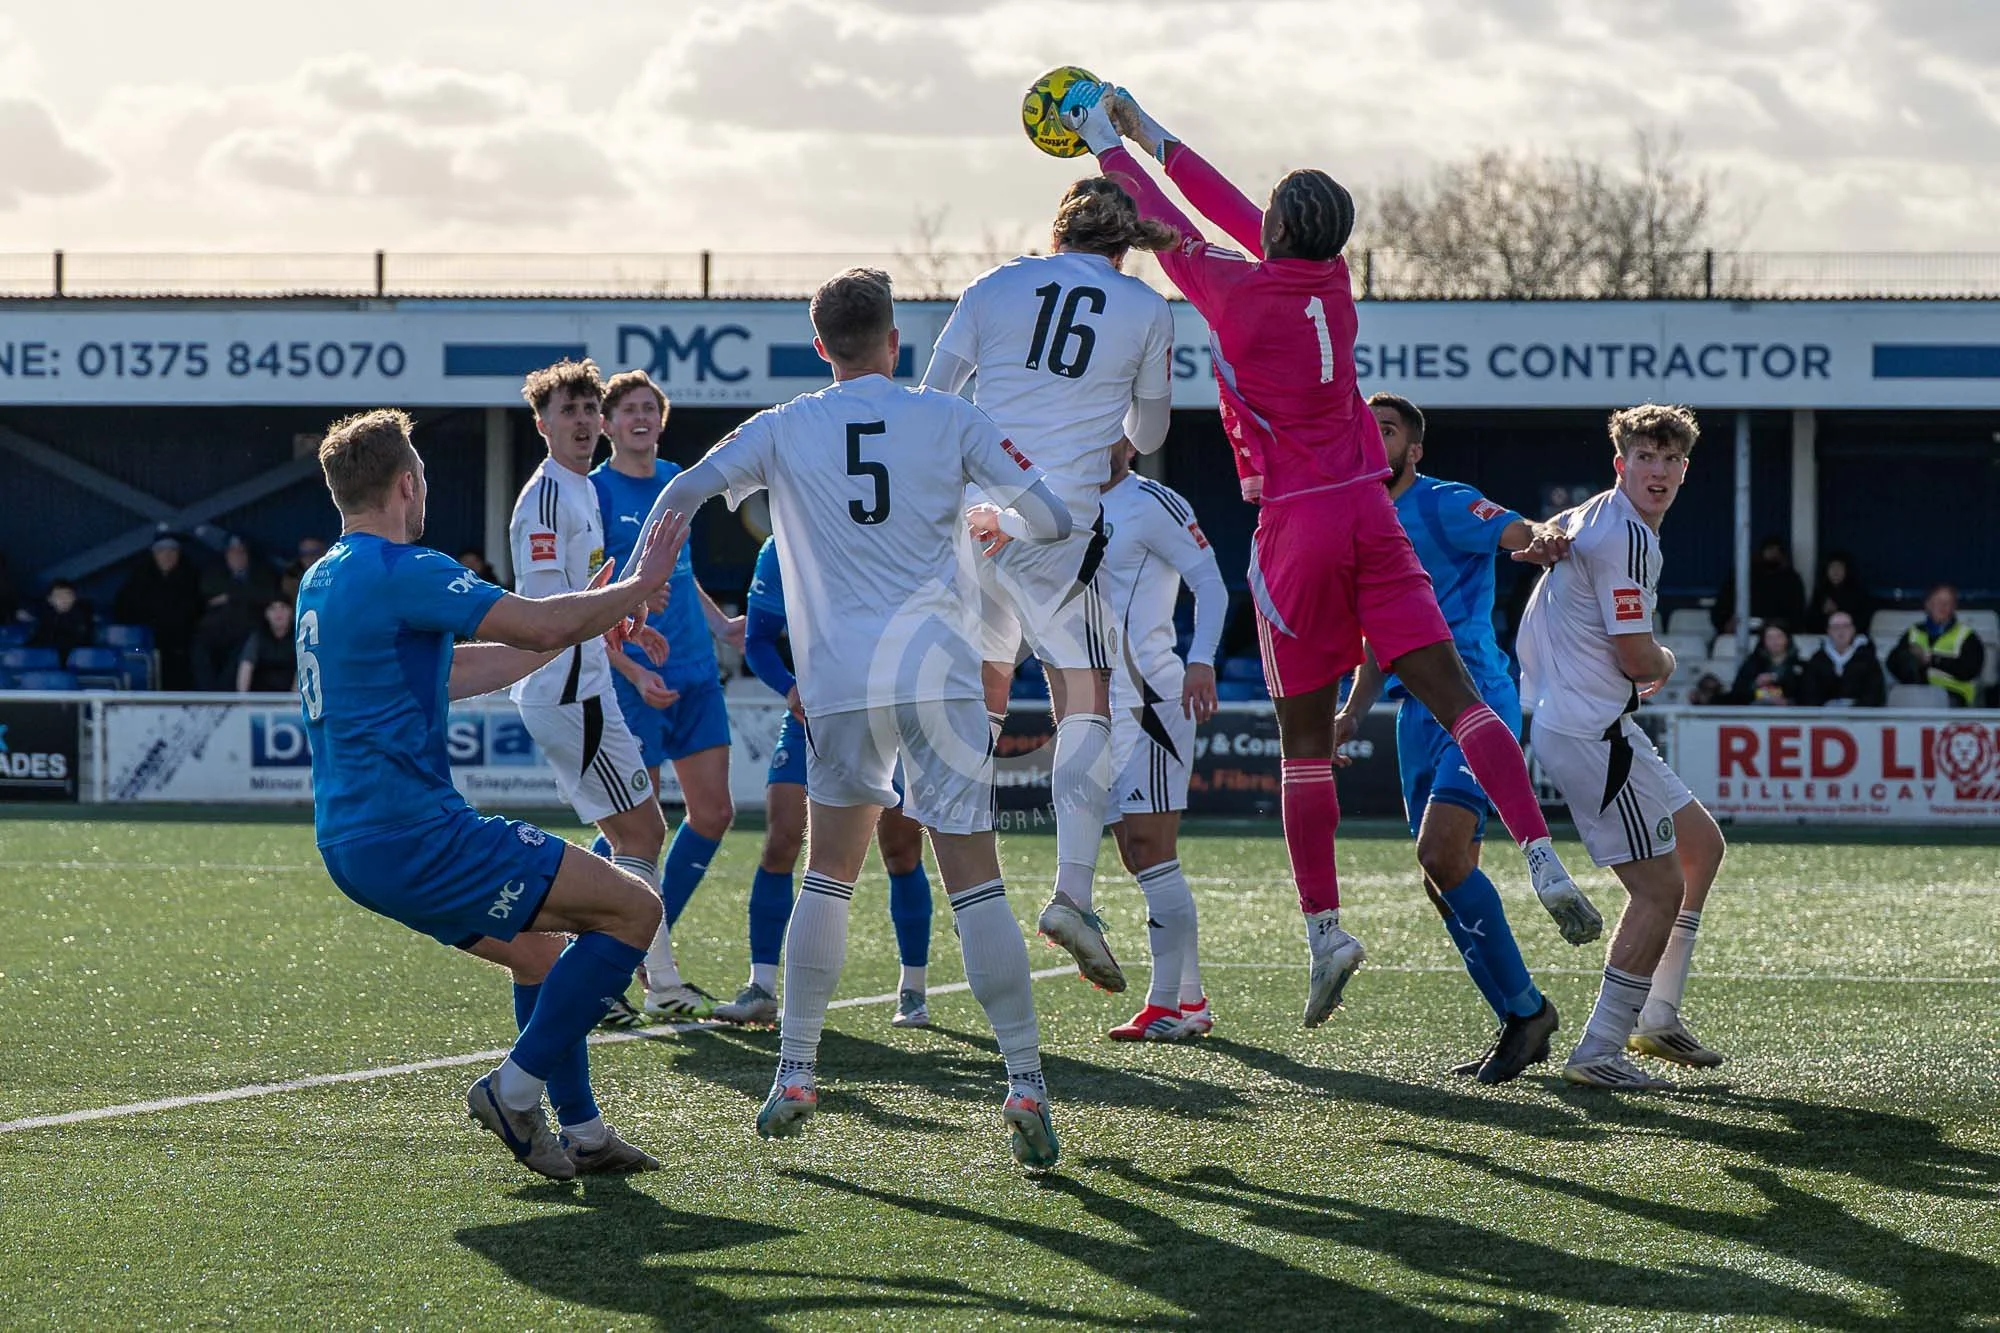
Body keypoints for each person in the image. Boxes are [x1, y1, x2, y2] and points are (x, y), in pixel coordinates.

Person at [1059, 82, 1593, 1028]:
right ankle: (1543, 856)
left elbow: (1164, 224)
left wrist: (1104, 139)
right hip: (1367, 515)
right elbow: (1221, 213)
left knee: (1304, 749)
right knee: (1463, 702)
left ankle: (1326, 929)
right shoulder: (1329, 288)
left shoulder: (1239, 293)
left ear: (1277, 230)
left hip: (1295, 526)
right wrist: (1156, 133)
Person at [640, 268, 1075, 1169]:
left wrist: (645, 587)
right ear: (894, 341)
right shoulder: (948, 416)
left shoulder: (783, 425)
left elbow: (680, 493)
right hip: (941, 675)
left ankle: (796, 1067)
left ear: (820, 345)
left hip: (836, 684)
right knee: (976, 881)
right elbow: (1055, 514)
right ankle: (1026, 1081)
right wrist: (996, 520)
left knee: (828, 875)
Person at [298, 406, 689, 1179]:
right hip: (416, 835)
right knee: (634, 908)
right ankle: (513, 1091)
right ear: (408, 484)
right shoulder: (402, 569)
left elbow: (461, 670)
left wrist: (581, 623)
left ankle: (581, 1129)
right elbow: (537, 626)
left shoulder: (326, 577)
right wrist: (640, 586)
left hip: (353, 845)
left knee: (538, 953)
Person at [919, 175, 1179, 998]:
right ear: (1125, 244)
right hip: (1056, 524)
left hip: (973, 520)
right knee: (1085, 698)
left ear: (1058, 231)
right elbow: (1151, 432)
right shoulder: (1145, 308)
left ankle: (971, 905)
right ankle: (1072, 891)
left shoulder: (992, 286)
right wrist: (1110, 432)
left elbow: (934, 402)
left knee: (980, 702)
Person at [1334, 394, 1594, 1083]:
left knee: (1438, 851)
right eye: (1364, 428)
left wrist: (1537, 539)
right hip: (1413, 716)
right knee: (1441, 876)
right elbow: (1374, 632)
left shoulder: (1444, 502)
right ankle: (1519, 1014)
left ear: (1413, 450)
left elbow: (1513, 528)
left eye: (1385, 430)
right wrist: (1354, 710)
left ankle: (1530, 1010)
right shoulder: (1359, 517)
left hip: (1474, 701)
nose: (1371, 437)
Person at [1516, 404, 1730, 1091]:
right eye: (1646, 456)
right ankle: (1601, 1046)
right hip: (1590, 730)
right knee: (1658, 886)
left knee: (1700, 845)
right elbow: (1640, 658)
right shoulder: (1628, 535)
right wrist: (1666, 664)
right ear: (1622, 463)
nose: (1659, 470)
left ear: (1685, 470)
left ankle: (1657, 1012)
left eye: (1671, 459)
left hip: (1586, 718)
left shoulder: (1588, 515)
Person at [507, 358, 678, 1030]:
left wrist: (627, 618)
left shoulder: (579, 490)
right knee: (640, 830)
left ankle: (643, 979)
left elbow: (586, 592)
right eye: (567, 411)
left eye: (587, 409)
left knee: (636, 832)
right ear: (542, 423)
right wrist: (630, 595)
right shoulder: (548, 496)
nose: (580, 421)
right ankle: (618, 979)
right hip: (567, 689)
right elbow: (552, 608)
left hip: (587, 682)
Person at [711, 533, 936, 1029]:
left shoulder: (889, 535)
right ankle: (761, 986)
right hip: (813, 712)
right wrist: (792, 690)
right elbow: (758, 640)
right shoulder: (781, 547)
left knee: (901, 848)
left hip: (890, 711)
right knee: (781, 840)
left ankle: (913, 989)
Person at [588, 369, 744, 1020]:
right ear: (607, 424)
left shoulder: (678, 481)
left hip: (695, 673)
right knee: (635, 830)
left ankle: (642, 945)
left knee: (711, 814)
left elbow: (680, 571)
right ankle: (597, 944)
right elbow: (590, 597)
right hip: (635, 677)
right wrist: (628, 669)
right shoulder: (592, 493)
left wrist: (720, 625)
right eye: (628, 409)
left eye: (650, 407)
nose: (640, 417)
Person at [1085, 442, 1227, 1041]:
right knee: (1135, 852)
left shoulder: (1152, 501)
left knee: (1150, 844)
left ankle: (1166, 1002)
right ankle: (1188, 1001)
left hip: (1153, 699)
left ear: (1129, 440)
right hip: (1095, 700)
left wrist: (1200, 660)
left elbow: (1211, 586)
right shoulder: (1057, 503)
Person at [112, 533, 205, 689]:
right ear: (154, 554)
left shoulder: (191, 577)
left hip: (182, 644)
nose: (167, 556)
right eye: (162, 551)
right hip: (144, 643)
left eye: (172, 551)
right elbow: (122, 608)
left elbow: (197, 610)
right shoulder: (139, 577)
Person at [194, 535, 277, 690]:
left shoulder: (261, 573)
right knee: (200, 649)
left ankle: (225, 697)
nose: (237, 557)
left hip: (247, 632)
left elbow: (267, 595)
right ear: (226, 555)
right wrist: (244, 595)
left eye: (241, 552)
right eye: (233, 553)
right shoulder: (215, 571)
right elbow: (206, 593)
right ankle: (206, 697)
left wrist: (229, 596)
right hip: (215, 632)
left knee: (242, 652)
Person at [1886, 584, 1986, 708]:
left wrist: (1932, 659)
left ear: (1954, 607)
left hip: (1953, 697)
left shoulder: (1967, 636)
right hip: (1915, 694)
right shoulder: (1913, 632)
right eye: (1938, 601)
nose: (1943, 606)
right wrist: (1911, 656)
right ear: (1928, 604)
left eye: (1948, 602)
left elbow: (1969, 669)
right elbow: (1892, 662)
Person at [1710, 536, 1806, 638]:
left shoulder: (1791, 581)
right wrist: (1726, 624)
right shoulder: (1742, 576)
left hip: (1776, 638)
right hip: (1739, 635)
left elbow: (1797, 615)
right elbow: (1721, 608)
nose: (1773, 554)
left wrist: (1778, 628)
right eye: (1769, 550)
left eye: (1777, 551)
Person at [1800, 611, 1886, 707]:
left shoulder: (1867, 659)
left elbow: (1874, 693)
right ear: (1829, 631)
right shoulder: (1818, 660)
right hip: (1824, 717)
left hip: (1860, 717)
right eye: (1836, 627)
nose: (1841, 631)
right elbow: (1809, 693)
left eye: (1846, 626)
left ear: (1853, 630)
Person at [1724, 622, 1808, 705]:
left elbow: (1807, 695)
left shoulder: (1801, 666)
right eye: (1770, 637)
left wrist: (1788, 701)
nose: (1775, 641)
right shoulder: (1752, 664)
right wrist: (1755, 684)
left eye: (1779, 636)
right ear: (1763, 640)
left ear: (1787, 639)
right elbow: (1737, 694)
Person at [236, 598, 298, 693]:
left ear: (290, 612)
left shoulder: (298, 637)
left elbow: (301, 670)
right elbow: (246, 666)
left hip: (290, 700)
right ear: (266, 614)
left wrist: (292, 703)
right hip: (260, 699)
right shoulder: (258, 637)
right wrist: (243, 701)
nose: (278, 613)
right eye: (273, 608)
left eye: (283, 607)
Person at [1805, 552, 1874, 635]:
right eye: (1832, 568)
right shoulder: (1821, 592)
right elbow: (1810, 622)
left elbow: (1862, 621)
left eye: (1839, 568)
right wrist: (1823, 613)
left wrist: (1838, 611)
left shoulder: (1858, 593)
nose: (1835, 572)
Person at [29, 580, 95, 661]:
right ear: (50, 599)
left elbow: (82, 644)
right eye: (59, 596)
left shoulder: (83, 616)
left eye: (68, 595)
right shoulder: (44, 617)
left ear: (74, 598)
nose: (64, 599)